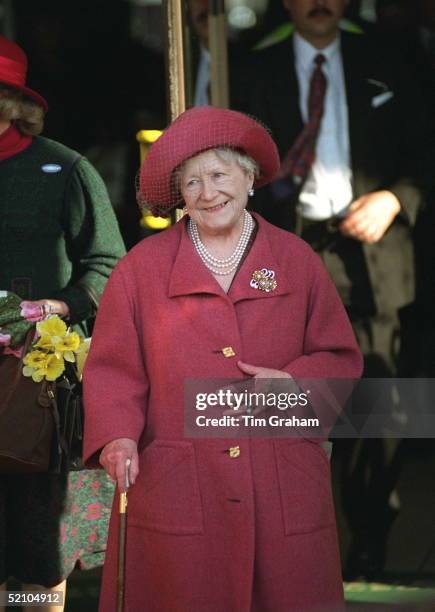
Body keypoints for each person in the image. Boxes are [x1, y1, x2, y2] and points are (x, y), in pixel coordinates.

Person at [83, 105, 362, 612]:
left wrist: (296, 386)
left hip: (279, 477)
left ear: (250, 176)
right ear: (179, 197)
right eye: (191, 183)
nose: (207, 193)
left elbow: (340, 357)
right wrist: (117, 437)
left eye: (218, 174)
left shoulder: (296, 260)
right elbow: (112, 370)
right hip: (179, 485)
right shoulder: (140, 270)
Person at [231, 0, 432, 580]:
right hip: (291, 251)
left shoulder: (390, 58)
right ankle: (294, 542)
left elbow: (425, 150)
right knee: (289, 402)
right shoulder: (252, 67)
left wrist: (397, 199)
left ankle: (371, 533)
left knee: (380, 404)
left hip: (375, 253)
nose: (318, 3)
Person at [0, 35, 126, 611]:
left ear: (12, 103)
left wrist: (62, 306)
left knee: (37, 545)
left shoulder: (64, 169)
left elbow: (109, 264)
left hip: (36, 392)